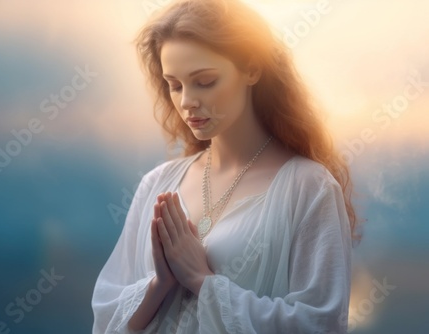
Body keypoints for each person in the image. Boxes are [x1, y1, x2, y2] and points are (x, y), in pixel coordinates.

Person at [92, 0, 359, 332]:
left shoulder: (309, 188)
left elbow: (320, 324)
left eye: (204, 81)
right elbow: (106, 315)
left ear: (251, 68)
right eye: (174, 85)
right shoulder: (156, 184)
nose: (187, 100)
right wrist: (159, 283)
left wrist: (202, 281)